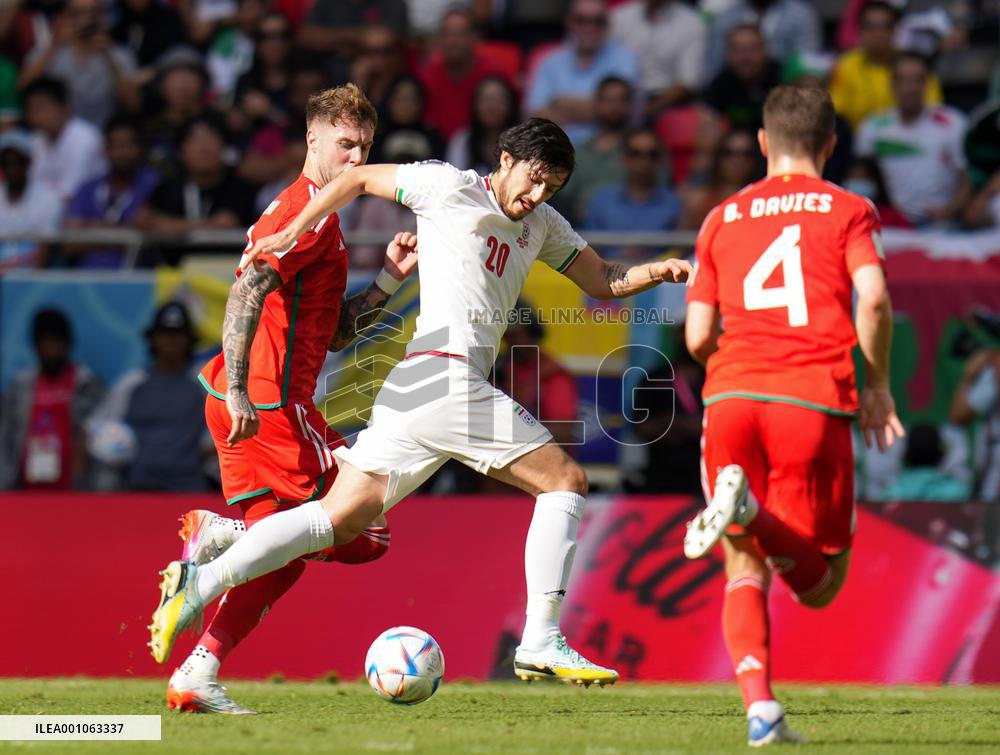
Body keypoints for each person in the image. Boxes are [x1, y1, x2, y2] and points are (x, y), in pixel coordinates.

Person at [148, 116, 692, 688]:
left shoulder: (543, 223)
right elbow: (355, 182)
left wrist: (658, 270)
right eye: (532, 180)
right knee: (566, 482)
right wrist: (291, 231)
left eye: (550, 189)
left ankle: (198, 584)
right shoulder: (447, 186)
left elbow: (603, 279)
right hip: (448, 378)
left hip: (415, 389)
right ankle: (541, 639)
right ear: (504, 159)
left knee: (332, 522)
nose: (536, 196)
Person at [151, 83, 418, 714]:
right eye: (345, 144)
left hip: (240, 393)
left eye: (365, 148)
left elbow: (328, 331)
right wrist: (246, 389)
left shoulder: (310, 215)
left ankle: (198, 672)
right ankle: (222, 538)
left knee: (287, 546)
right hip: (267, 404)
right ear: (313, 139)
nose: (357, 160)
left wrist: (387, 280)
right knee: (366, 529)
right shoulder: (309, 215)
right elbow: (245, 292)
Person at [683, 86, 903, 746]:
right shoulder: (848, 209)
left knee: (741, 565)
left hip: (730, 395)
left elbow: (696, 334)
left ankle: (761, 709)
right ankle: (749, 509)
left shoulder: (721, 215)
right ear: (831, 144)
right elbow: (874, 298)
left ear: (760, 144)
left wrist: (733, 359)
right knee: (821, 585)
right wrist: (880, 384)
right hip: (811, 395)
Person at [87, 301, 211, 492]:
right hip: (138, 489)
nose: (171, 341)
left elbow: (222, 434)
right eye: (165, 334)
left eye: (178, 334)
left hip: (188, 489)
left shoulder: (203, 385)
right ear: (153, 338)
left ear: (188, 339)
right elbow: (96, 427)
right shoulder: (132, 384)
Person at [855, 52, 969, 227]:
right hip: (892, 222)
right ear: (893, 86)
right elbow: (859, 178)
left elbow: (967, 178)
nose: (911, 88)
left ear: (927, 85)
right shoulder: (873, 126)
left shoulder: (952, 123)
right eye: (904, 81)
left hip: (943, 222)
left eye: (918, 80)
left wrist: (949, 211)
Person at [0, 308, 103, 490]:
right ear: (35, 346)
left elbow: (99, 435)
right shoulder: (20, 387)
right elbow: (6, 436)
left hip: (73, 490)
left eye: (57, 342)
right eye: (45, 343)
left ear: (68, 344)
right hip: (24, 489)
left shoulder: (86, 385)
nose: (51, 350)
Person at [525, 0, 639, 144]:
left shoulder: (625, 59)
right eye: (581, 20)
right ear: (569, 22)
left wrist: (560, 103)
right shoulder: (549, 62)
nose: (589, 27)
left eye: (598, 21)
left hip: (608, 151)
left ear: (607, 25)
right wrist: (600, 110)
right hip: (555, 150)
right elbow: (534, 117)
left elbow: (625, 112)